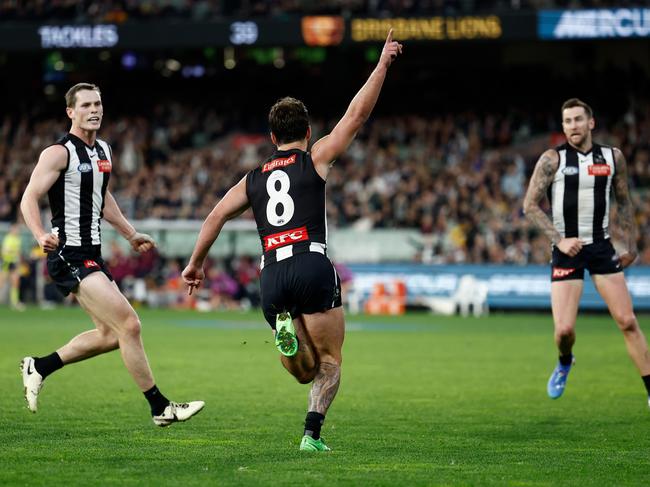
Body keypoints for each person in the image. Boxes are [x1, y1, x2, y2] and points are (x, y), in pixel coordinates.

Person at [182, 30, 403, 451]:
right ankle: (311, 436)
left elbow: (214, 216)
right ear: (308, 130)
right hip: (310, 262)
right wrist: (382, 65)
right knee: (330, 362)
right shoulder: (315, 157)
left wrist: (196, 263)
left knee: (303, 368)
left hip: (272, 273)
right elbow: (356, 116)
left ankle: (286, 332)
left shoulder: (252, 180)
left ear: (271, 138)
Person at [19, 83, 204, 425]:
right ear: (70, 112)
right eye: (86, 105)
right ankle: (160, 407)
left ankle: (39, 366)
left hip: (93, 254)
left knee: (109, 335)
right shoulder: (58, 153)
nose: (95, 110)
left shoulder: (103, 150)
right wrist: (40, 234)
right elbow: (28, 198)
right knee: (130, 324)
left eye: (98, 104)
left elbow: (102, 199)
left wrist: (130, 234)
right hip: (69, 254)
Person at [523, 98, 650, 407]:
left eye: (578, 120)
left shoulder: (612, 157)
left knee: (628, 321)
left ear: (591, 123)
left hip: (601, 247)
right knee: (564, 330)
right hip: (567, 251)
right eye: (567, 121)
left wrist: (630, 245)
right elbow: (529, 206)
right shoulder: (552, 159)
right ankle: (565, 360)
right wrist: (560, 239)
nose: (573, 126)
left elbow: (623, 200)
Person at [1, 222, 25, 310]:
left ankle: (14, 302)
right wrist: (11, 252)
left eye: (18, 229)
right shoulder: (8, 238)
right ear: (11, 229)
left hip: (14, 263)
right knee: (1, 283)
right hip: (7, 263)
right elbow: (4, 251)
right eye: (15, 229)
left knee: (15, 282)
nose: (17, 231)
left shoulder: (18, 239)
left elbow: (18, 253)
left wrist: (18, 264)